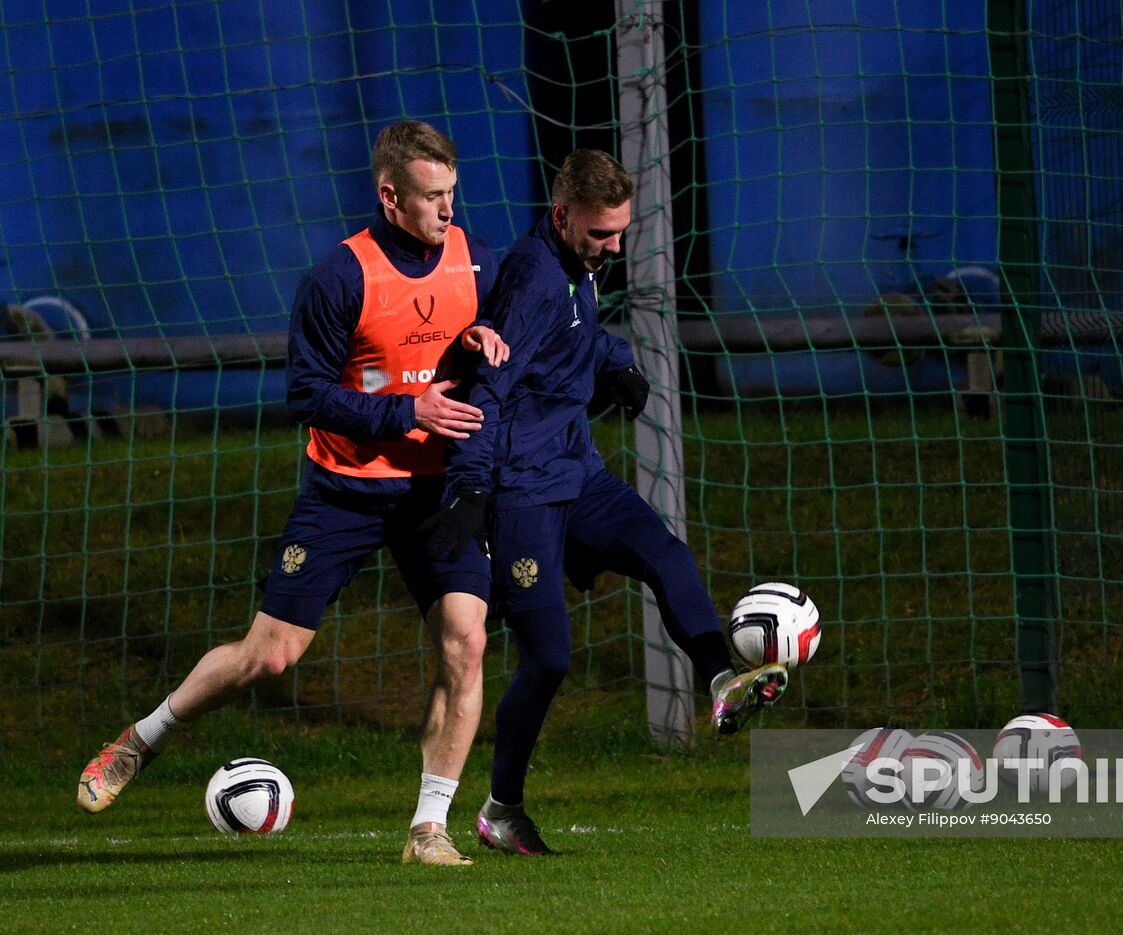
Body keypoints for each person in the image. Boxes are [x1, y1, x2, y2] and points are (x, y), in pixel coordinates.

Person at [76, 120, 508, 868]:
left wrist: (489, 338)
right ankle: (139, 740)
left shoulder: (474, 261)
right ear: (389, 195)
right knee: (268, 657)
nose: (447, 210)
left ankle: (428, 828)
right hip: (345, 490)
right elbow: (310, 394)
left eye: (452, 194)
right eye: (432, 196)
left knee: (466, 641)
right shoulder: (340, 277)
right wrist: (411, 408)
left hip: (439, 488)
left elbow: (488, 341)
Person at [421, 148, 787, 857]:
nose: (612, 247)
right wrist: (468, 488)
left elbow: (579, 332)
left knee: (665, 551)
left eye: (620, 233)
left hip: (577, 473)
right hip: (522, 489)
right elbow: (487, 391)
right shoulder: (530, 278)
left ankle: (720, 678)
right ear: (562, 215)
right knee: (549, 659)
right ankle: (501, 808)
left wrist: (614, 361)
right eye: (599, 234)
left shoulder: (576, 268)